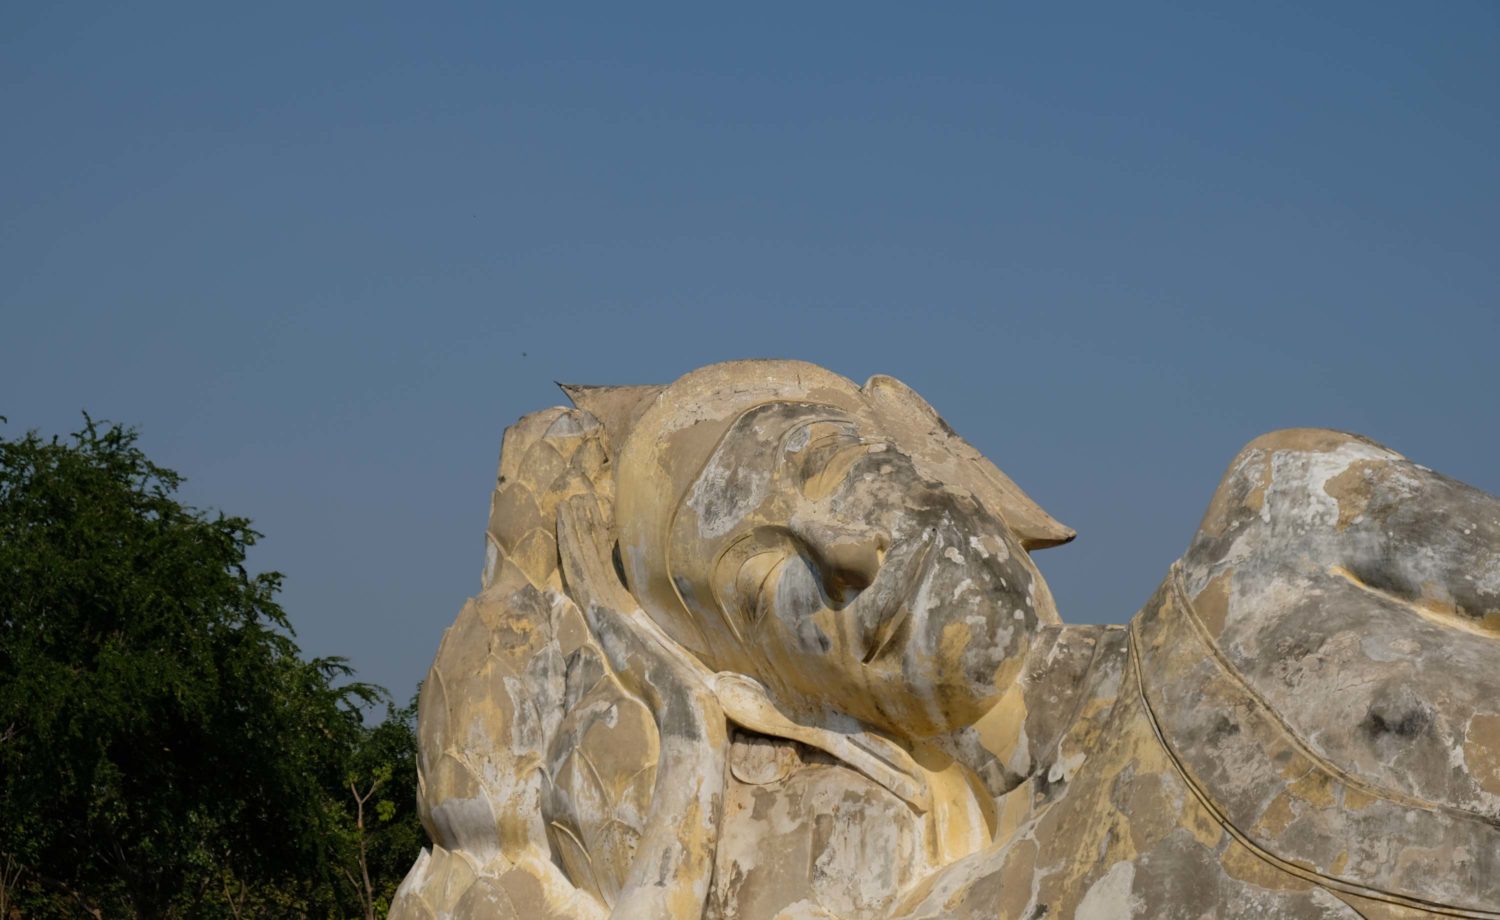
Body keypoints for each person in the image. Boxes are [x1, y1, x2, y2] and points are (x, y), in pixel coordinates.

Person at [392, 361, 1500, 920]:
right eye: (768, 584)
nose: (839, 547)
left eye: (828, 466)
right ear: (777, 693)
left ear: (941, 456)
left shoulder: (1284, 520)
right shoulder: (988, 896)